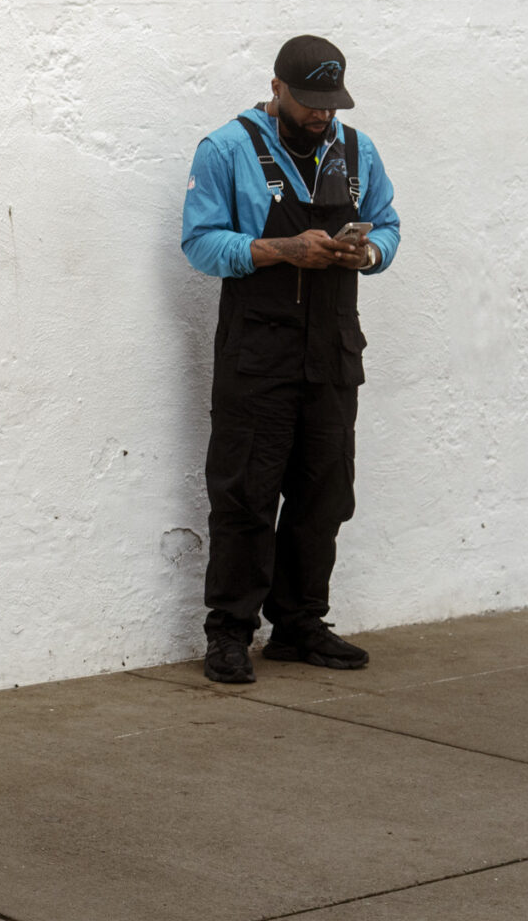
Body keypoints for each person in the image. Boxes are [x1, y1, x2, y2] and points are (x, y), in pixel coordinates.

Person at [180, 35, 400, 685]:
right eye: (308, 102)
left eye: (330, 104)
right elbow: (199, 244)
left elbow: (387, 222)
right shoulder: (224, 149)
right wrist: (281, 250)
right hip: (259, 355)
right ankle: (229, 633)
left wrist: (369, 253)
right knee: (246, 494)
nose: (320, 115)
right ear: (276, 89)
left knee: (323, 494)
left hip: (332, 352)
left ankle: (300, 625)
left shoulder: (358, 151)